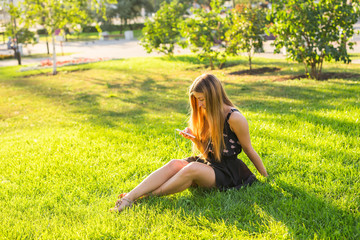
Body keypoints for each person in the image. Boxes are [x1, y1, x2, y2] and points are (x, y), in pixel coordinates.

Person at [110, 73, 268, 213]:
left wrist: (265, 177)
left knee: (191, 169)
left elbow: (248, 149)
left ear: (213, 97)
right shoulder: (206, 113)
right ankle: (129, 197)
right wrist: (194, 139)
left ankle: (143, 197)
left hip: (228, 171)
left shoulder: (234, 118)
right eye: (197, 100)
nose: (199, 105)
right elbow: (207, 153)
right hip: (210, 164)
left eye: (201, 99)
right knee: (174, 164)